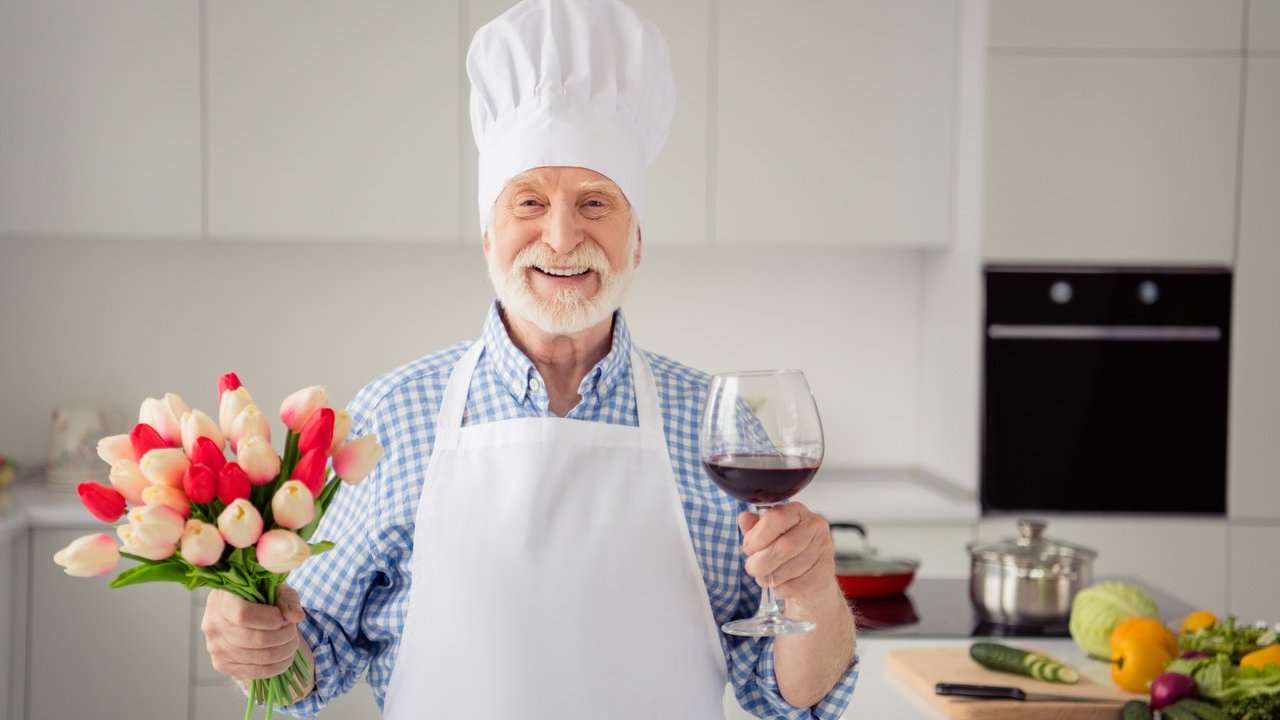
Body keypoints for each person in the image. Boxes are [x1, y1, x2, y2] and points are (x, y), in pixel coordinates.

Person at [200, 0, 858, 717]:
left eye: (597, 204)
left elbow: (795, 700)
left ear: (637, 240)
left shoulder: (712, 425)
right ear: (489, 236)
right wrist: (256, 640)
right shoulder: (391, 417)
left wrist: (814, 591)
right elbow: (312, 665)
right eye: (529, 202)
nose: (561, 236)